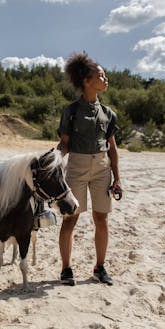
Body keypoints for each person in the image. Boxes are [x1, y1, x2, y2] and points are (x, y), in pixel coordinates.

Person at [56, 52, 122, 286]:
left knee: (101, 219)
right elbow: (64, 143)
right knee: (70, 220)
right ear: (86, 81)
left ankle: (100, 267)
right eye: (100, 75)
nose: (105, 79)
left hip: (102, 168)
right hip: (77, 167)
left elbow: (112, 148)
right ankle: (66, 270)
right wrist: (52, 161)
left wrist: (118, 178)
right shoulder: (71, 111)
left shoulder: (108, 113)